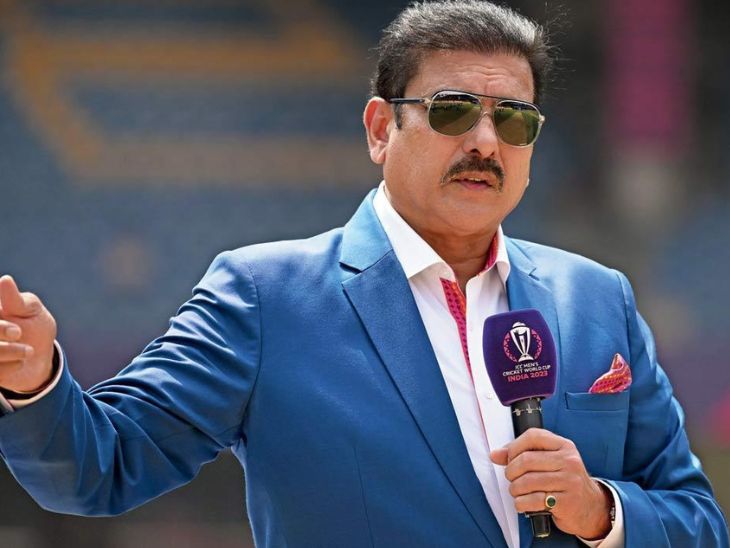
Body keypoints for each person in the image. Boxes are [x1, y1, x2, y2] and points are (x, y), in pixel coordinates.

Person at [0, 1, 726, 546]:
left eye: (514, 119)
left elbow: (698, 520)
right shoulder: (266, 296)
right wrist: (33, 383)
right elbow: (100, 468)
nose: (485, 141)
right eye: (453, 111)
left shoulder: (597, 296)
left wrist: (601, 511)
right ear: (381, 129)